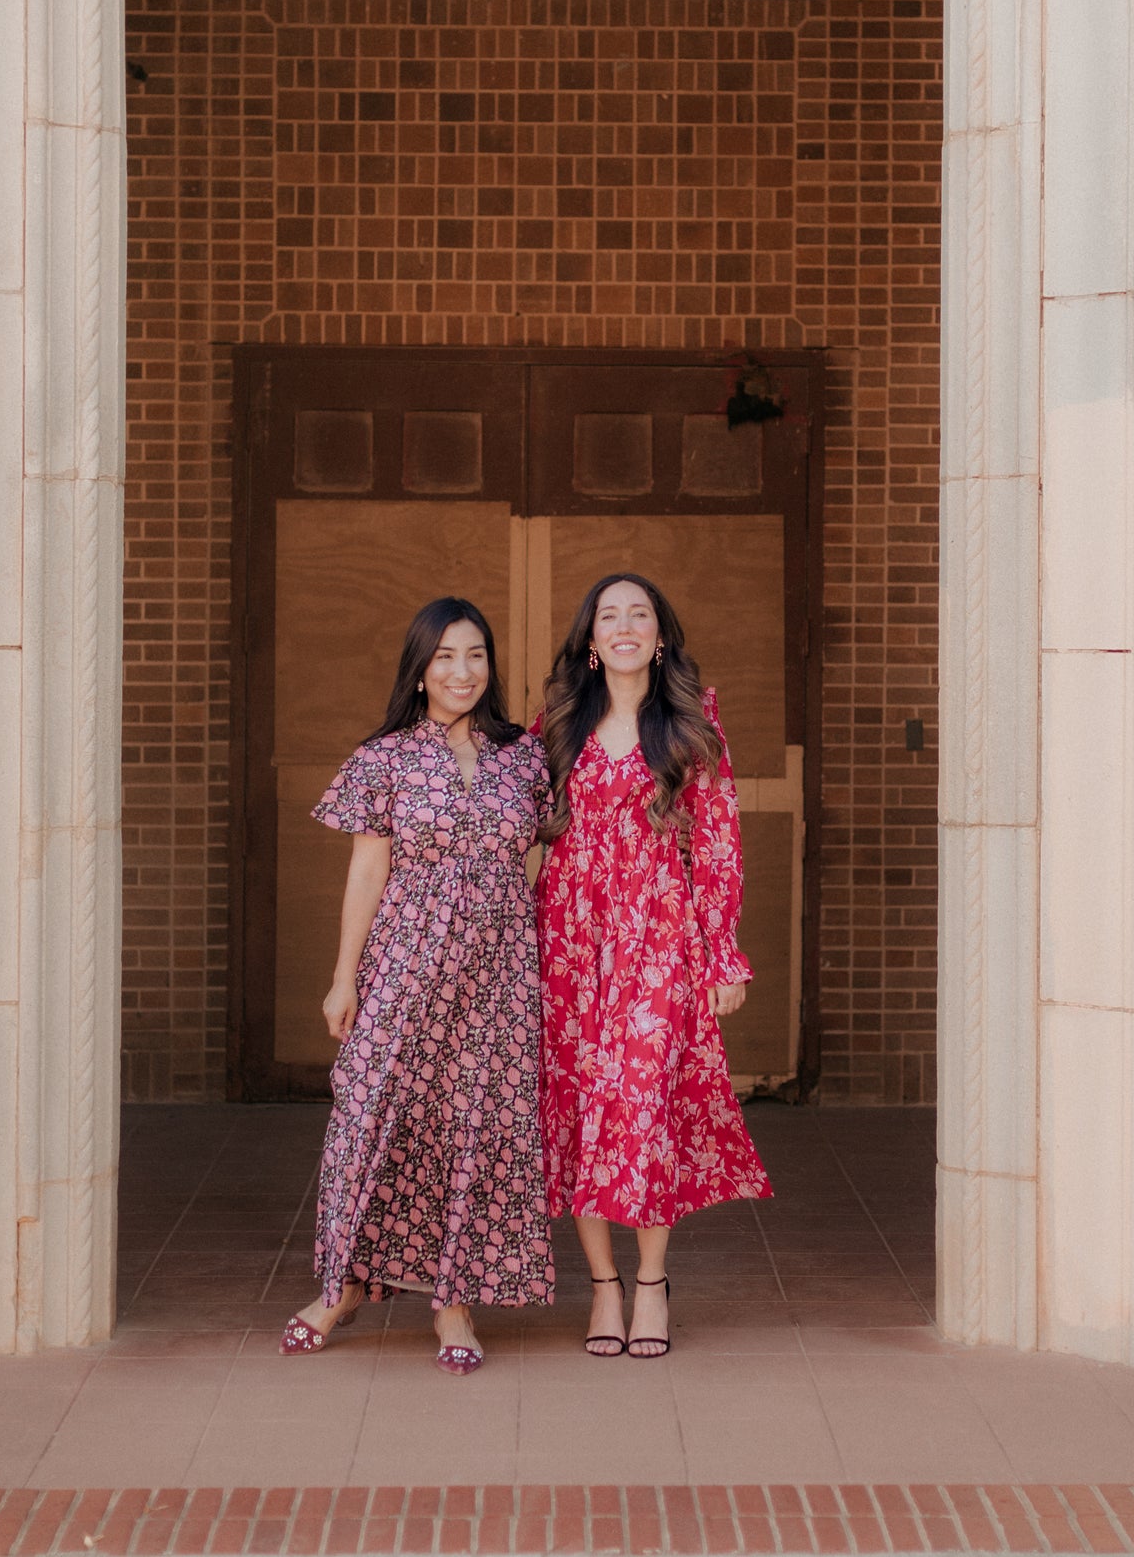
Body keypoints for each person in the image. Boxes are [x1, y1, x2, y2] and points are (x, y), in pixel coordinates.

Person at [283, 596, 554, 1373]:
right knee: (370, 1116)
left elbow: (536, 857)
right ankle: (343, 1287)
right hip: (403, 965)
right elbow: (366, 870)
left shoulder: (523, 758)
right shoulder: (385, 757)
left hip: (497, 977)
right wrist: (344, 978)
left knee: (471, 1130)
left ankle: (453, 1301)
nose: (461, 671)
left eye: (475, 655)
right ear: (420, 666)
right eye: (444, 656)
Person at [536, 573, 772, 1359]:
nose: (624, 625)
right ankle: (602, 1284)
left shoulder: (693, 723)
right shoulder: (559, 722)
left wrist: (722, 953)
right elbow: (512, 822)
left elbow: (718, 843)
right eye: (609, 614)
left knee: (642, 1102)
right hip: (567, 941)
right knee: (580, 1105)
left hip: (659, 935)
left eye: (639, 613)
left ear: (659, 636)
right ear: (591, 639)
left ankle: (650, 1281)